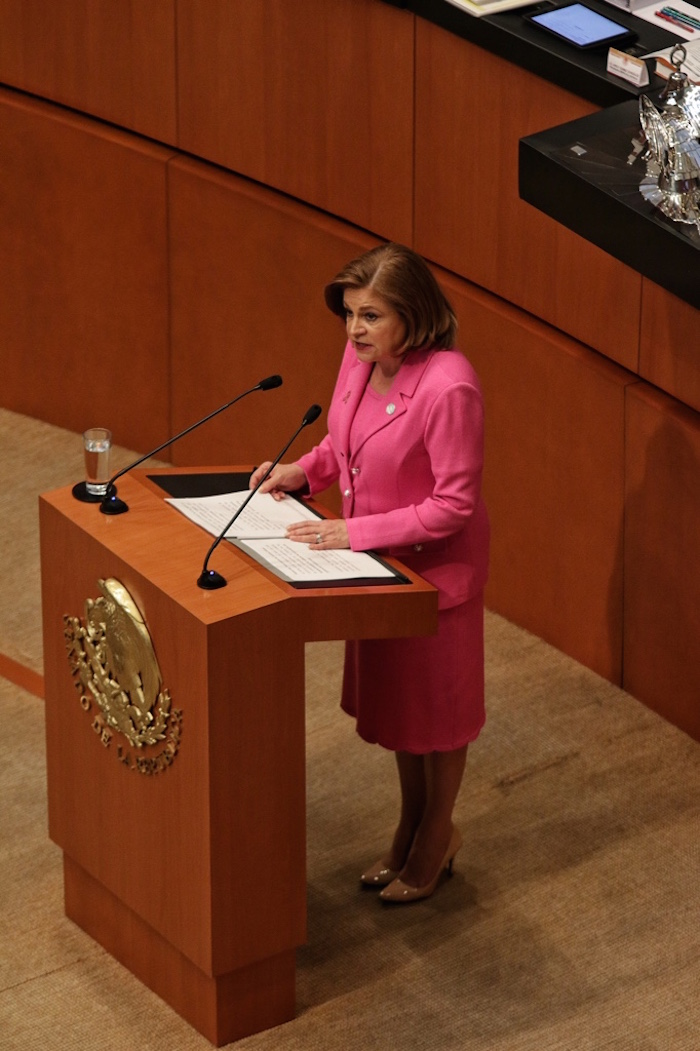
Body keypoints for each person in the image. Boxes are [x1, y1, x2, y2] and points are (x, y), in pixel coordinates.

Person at [249, 243, 489, 904]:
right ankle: (410, 823)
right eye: (350, 313)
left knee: (439, 723)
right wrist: (303, 471)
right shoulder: (360, 363)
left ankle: (437, 834)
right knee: (405, 716)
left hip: (433, 577)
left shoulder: (449, 385)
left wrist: (352, 532)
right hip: (379, 568)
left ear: (413, 316)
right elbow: (340, 444)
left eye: (371, 315)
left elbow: (452, 504)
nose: (354, 329)